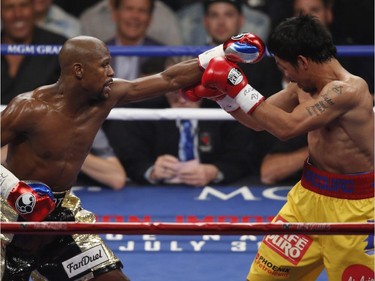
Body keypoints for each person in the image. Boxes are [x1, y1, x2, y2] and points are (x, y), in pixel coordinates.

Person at [1, 32, 264, 280]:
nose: (112, 72)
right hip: (9, 219)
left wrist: (222, 52)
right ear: (79, 71)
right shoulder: (29, 108)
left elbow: (168, 79)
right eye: (104, 65)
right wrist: (13, 189)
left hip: (60, 217)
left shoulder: (107, 96)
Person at [191, 15, 374, 280]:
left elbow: (287, 128)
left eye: (285, 67)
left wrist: (237, 83)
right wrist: (224, 97)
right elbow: (258, 121)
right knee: (263, 277)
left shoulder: (349, 90)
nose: (285, 75)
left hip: (356, 209)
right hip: (307, 199)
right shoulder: (301, 85)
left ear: (302, 62)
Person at [107, 58, 256, 186]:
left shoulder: (224, 109)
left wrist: (214, 171)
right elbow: (131, 156)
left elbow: (242, 156)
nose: (182, 97)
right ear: (164, 87)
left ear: (204, 86)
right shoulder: (147, 111)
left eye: (190, 88)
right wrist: (151, 170)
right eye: (175, 89)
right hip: (158, 196)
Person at [1, 0, 68, 104]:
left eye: (24, 5)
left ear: (34, 8)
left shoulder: (59, 46)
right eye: (9, 7)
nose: (18, 14)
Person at [80, 0, 183, 45]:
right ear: (115, 14)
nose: (135, 16)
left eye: (142, 11)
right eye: (129, 9)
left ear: (150, 18)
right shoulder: (99, 54)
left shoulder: (162, 56)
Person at [177, 0, 271, 46]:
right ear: (205, 22)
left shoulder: (257, 65)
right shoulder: (190, 59)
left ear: (241, 20)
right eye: (214, 15)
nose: (221, 23)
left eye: (229, 15)